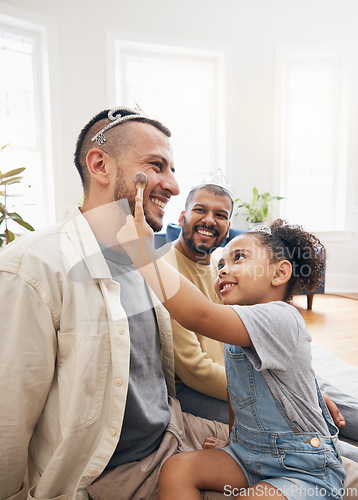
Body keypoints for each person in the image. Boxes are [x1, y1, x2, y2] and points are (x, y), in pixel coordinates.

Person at [0, 107, 229, 500]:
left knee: (330, 458)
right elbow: (7, 425)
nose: (174, 186)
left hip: (175, 433)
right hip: (123, 477)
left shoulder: (144, 259)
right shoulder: (32, 268)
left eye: (172, 169)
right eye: (157, 165)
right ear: (100, 165)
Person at [117, 194, 352, 499]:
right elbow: (237, 393)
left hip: (302, 466)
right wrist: (234, 440)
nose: (224, 270)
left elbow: (197, 314)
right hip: (249, 453)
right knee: (177, 468)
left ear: (279, 273)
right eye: (222, 264)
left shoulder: (282, 318)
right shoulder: (237, 332)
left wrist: (142, 253)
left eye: (239, 258)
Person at [164, 183, 358, 462]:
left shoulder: (223, 267)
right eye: (199, 210)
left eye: (220, 214)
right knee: (291, 429)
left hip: (252, 367)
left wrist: (305, 389)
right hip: (203, 386)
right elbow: (195, 368)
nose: (209, 219)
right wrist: (279, 393)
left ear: (228, 227)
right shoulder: (166, 274)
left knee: (326, 393)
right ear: (181, 219)